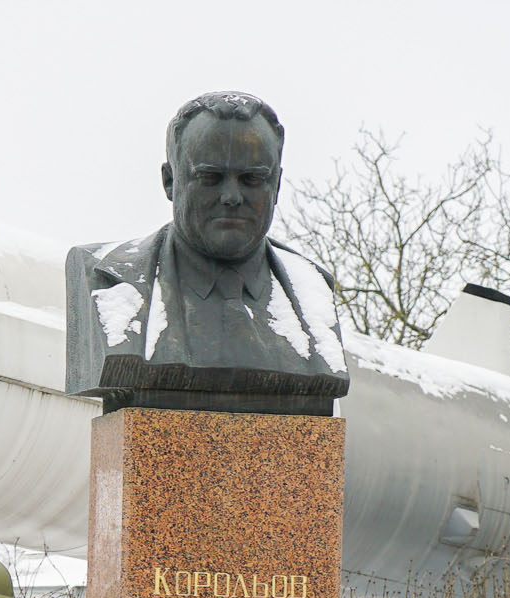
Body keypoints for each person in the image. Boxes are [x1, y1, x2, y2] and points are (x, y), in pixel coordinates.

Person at [64, 90, 348, 413]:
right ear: (170, 182)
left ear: (277, 186)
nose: (231, 196)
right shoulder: (105, 280)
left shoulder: (314, 291)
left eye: (252, 179)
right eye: (210, 177)